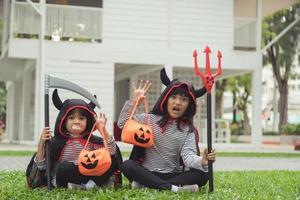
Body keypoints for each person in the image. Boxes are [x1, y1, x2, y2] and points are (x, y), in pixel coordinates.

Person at [118, 68, 216, 193]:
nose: (178, 102)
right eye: (173, 97)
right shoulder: (149, 118)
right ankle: (174, 189)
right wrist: (134, 102)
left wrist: (202, 161)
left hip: (173, 175)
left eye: (184, 99)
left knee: (203, 175)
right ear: (165, 100)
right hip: (147, 172)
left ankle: (148, 186)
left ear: (189, 105)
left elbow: (188, 157)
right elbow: (122, 124)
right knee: (127, 165)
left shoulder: (188, 130)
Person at [26, 89, 122, 189]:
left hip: (89, 173)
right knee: (64, 168)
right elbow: (42, 167)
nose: (76, 121)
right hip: (66, 174)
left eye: (81, 118)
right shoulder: (56, 143)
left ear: (87, 121)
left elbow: (112, 152)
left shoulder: (93, 141)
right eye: (71, 118)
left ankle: (89, 185)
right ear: (63, 120)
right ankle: (88, 186)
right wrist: (41, 143)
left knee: (110, 161)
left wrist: (103, 130)